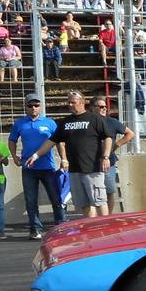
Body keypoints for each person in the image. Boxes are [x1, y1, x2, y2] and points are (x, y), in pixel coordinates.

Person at [26, 90, 113, 218]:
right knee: (84, 203)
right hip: (74, 170)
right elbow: (51, 141)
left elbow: (108, 138)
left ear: (82, 102)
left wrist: (105, 157)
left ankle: (105, 227)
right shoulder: (65, 122)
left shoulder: (95, 119)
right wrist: (36, 155)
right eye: (69, 102)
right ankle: (91, 229)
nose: (70, 105)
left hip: (92, 169)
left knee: (99, 201)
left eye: (73, 102)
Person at [8, 94, 66, 240]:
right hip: (29, 169)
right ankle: (35, 229)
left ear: (40, 106)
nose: (33, 108)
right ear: (26, 107)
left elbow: (59, 142)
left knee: (56, 198)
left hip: (48, 167)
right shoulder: (20, 123)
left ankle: (61, 227)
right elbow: (12, 140)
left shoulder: (50, 123)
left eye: (36, 105)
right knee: (31, 201)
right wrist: (14, 156)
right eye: (30, 105)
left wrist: (64, 159)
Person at [89, 95, 134, 214]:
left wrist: (116, 145)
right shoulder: (88, 122)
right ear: (92, 108)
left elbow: (130, 134)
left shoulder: (112, 122)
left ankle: (107, 218)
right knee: (94, 192)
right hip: (91, 163)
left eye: (105, 107)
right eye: (101, 106)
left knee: (109, 191)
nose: (104, 109)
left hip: (109, 163)